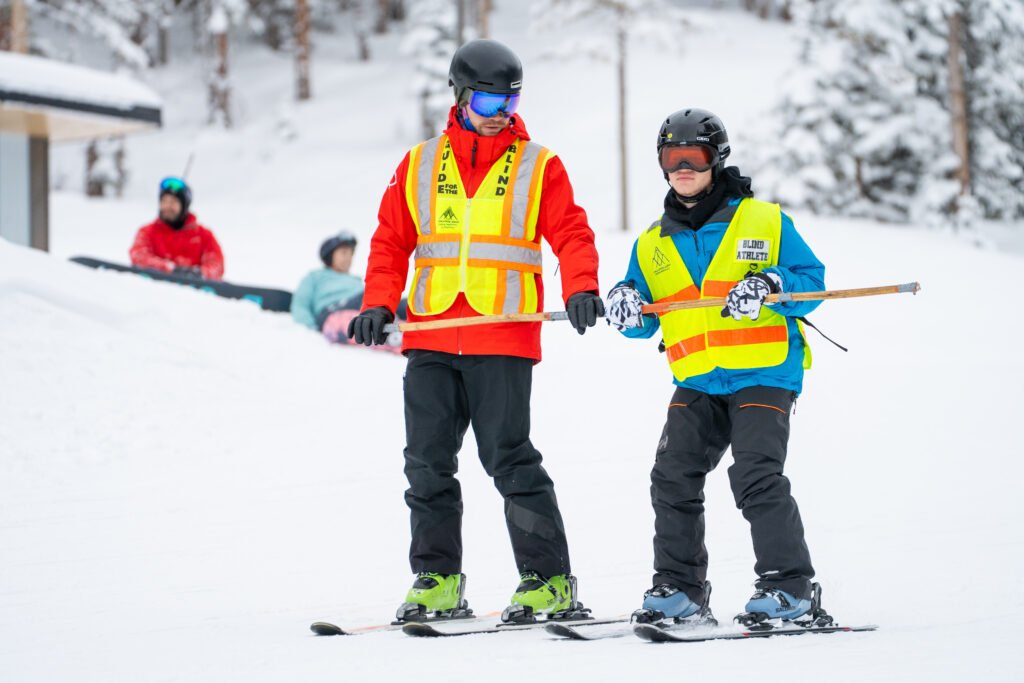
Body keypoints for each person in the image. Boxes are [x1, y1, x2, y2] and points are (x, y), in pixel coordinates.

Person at [347, 39, 604, 623]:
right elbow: (391, 240)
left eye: (509, 99)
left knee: (509, 459)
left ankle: (549, 581)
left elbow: (571, 232)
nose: (499, 112)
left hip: (502, 332)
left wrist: (581, 287)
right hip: (434, 333)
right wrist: (378, 303)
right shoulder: (419, 163)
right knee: (427, 462)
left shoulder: (539, 164)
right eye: (488, 99)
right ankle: (436, 578)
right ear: (460, 95)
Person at [605, 108, 826, 627]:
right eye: (671, 156)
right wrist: (625, 305)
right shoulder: (652, 242)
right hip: (697, 378)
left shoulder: (763, 220)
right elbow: (644, 322)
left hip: (764, 372)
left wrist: (771, 286)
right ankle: (679, 591)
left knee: (755, 474)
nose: (683, 166)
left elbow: (811, 281)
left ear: (717, 159)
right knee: (672, 476)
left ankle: (790, 588)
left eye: (695, 155)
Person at [129, 177, 225, 280]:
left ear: (184, 206)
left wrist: (197, 274)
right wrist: (170, 269)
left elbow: (217, 265)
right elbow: (139, 256)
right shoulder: (147, 232)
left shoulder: (203, 235)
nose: (167, 206)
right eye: (164, 201)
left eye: (173, 202)